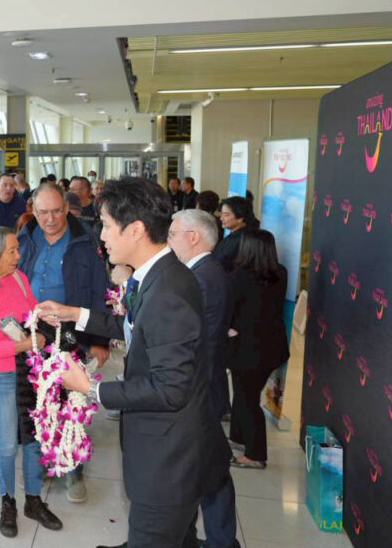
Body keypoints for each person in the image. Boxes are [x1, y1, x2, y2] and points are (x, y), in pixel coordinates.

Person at [37, 177, 220, 548]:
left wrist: (89, 388)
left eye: (105, 225)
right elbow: (136, 327)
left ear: (136, 229)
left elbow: (170, 389)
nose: (101, 235)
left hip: (169, 460)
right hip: (164, 448)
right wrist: (76, 313)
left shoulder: (168, 291)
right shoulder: (155, 275)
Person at [16, 183, 111, 503]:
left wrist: (99, 341)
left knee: (71, 401)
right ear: (33, 210)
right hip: (31, 331)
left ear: (66, 208)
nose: (50, 219)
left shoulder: (86, 241)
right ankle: (45, 460)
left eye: (56, 211)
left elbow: (101, 291)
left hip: (73, 331)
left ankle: (73, 469)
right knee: (36, 401)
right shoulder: (24, 238)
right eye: (42, 212)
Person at [0, 226, 63, 538]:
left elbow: (31, 312)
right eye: (12, 251)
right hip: (2, 377)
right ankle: (8, 503)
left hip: (30, 374)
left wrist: (46, 319)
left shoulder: (19, 279)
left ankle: (33, 501)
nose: (18, 256)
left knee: (34, 441)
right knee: (7, 445)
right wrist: (29, 343)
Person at [168, 210, 239, 548]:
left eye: (172, 233)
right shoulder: (209, 271)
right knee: (207, 470)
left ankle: (220, 541)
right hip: (206, 387)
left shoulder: (201, 277)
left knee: (211, 472)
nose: (168, 240)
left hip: (200, 391)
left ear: (193, 237)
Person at [227, 229, 289, 470]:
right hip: (272, 346)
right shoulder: (280, 273)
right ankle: (241, 438)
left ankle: (255, 454)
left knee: (247, 398)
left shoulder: (239, 277)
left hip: (246, 349)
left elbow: (230, 310)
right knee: (245, 394)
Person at [212, 196, 254, 273]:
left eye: (226, 215)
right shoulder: (231, 236)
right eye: (221, 214)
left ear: (240, 217)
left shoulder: (245, 241)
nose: (221, 218)